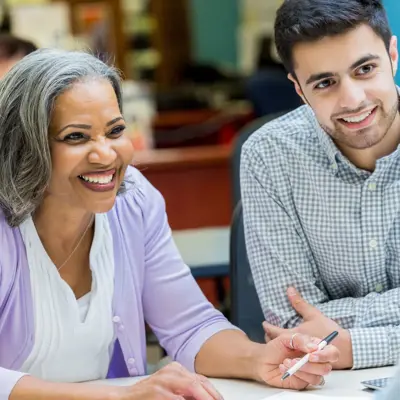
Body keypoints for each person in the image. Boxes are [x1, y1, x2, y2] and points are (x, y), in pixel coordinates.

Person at [0, 49, 338, 400]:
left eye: (115, 131)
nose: (106, 154)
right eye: (76, 137)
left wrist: (259, 358)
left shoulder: (133, 202)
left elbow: (190, 325)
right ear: (27, 145)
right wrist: (120, 397)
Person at [240, 0, 400, 371]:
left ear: (393, 55)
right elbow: (291, 322)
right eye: (325, 82)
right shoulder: (269, 156)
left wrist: (356, 346)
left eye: (365, 69)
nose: (353, 100)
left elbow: (321, 338)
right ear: (298, 88)